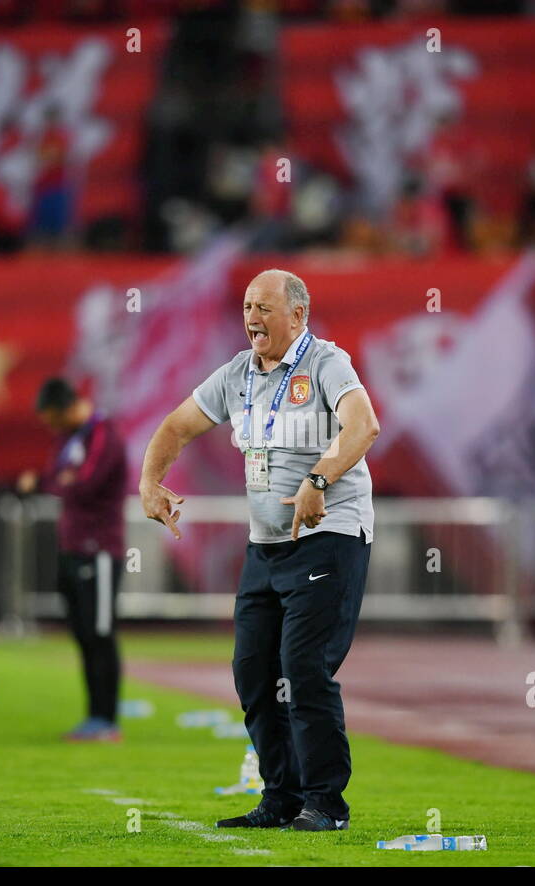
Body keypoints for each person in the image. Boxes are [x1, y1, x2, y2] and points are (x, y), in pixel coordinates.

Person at [138, 269, 381, 832]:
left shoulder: (325, 363)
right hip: (266, 547)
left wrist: (318, 481)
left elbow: (364, 427)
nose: (252, 318)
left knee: (303, 667)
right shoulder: (238, 374)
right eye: (248, 306)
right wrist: (150, 484)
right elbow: (174, 427)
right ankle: (281, 796)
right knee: (252, 670)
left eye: (265, 308)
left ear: (298, 315)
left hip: (329, 538)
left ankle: (326, 803)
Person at [18, 378, 127, 741]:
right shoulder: (69, 438)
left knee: (100, 633)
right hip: (73, 547)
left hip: (99, 551)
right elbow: (59, 477)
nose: (49, 427)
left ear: (65, 408)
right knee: (83, 635)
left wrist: (54, 482)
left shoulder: (102, 434)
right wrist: (58, 480)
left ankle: (107, 719)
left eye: (51, 418)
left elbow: (85, 484)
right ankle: (93, 716)